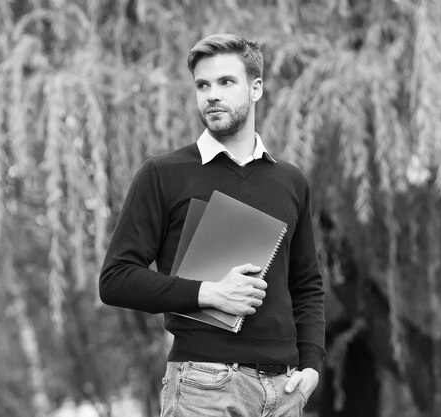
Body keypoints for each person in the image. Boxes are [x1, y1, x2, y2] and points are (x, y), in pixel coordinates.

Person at [100, 33, 325, 416]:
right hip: (203, 385)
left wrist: (312, 366)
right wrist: (209, 293)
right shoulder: (163, 174)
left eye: (225, 82)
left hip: (284, 389)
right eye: (202, 85)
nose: (211, 95)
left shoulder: (291, 181)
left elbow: (306, 286)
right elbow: (116, 279)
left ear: (256, 89)